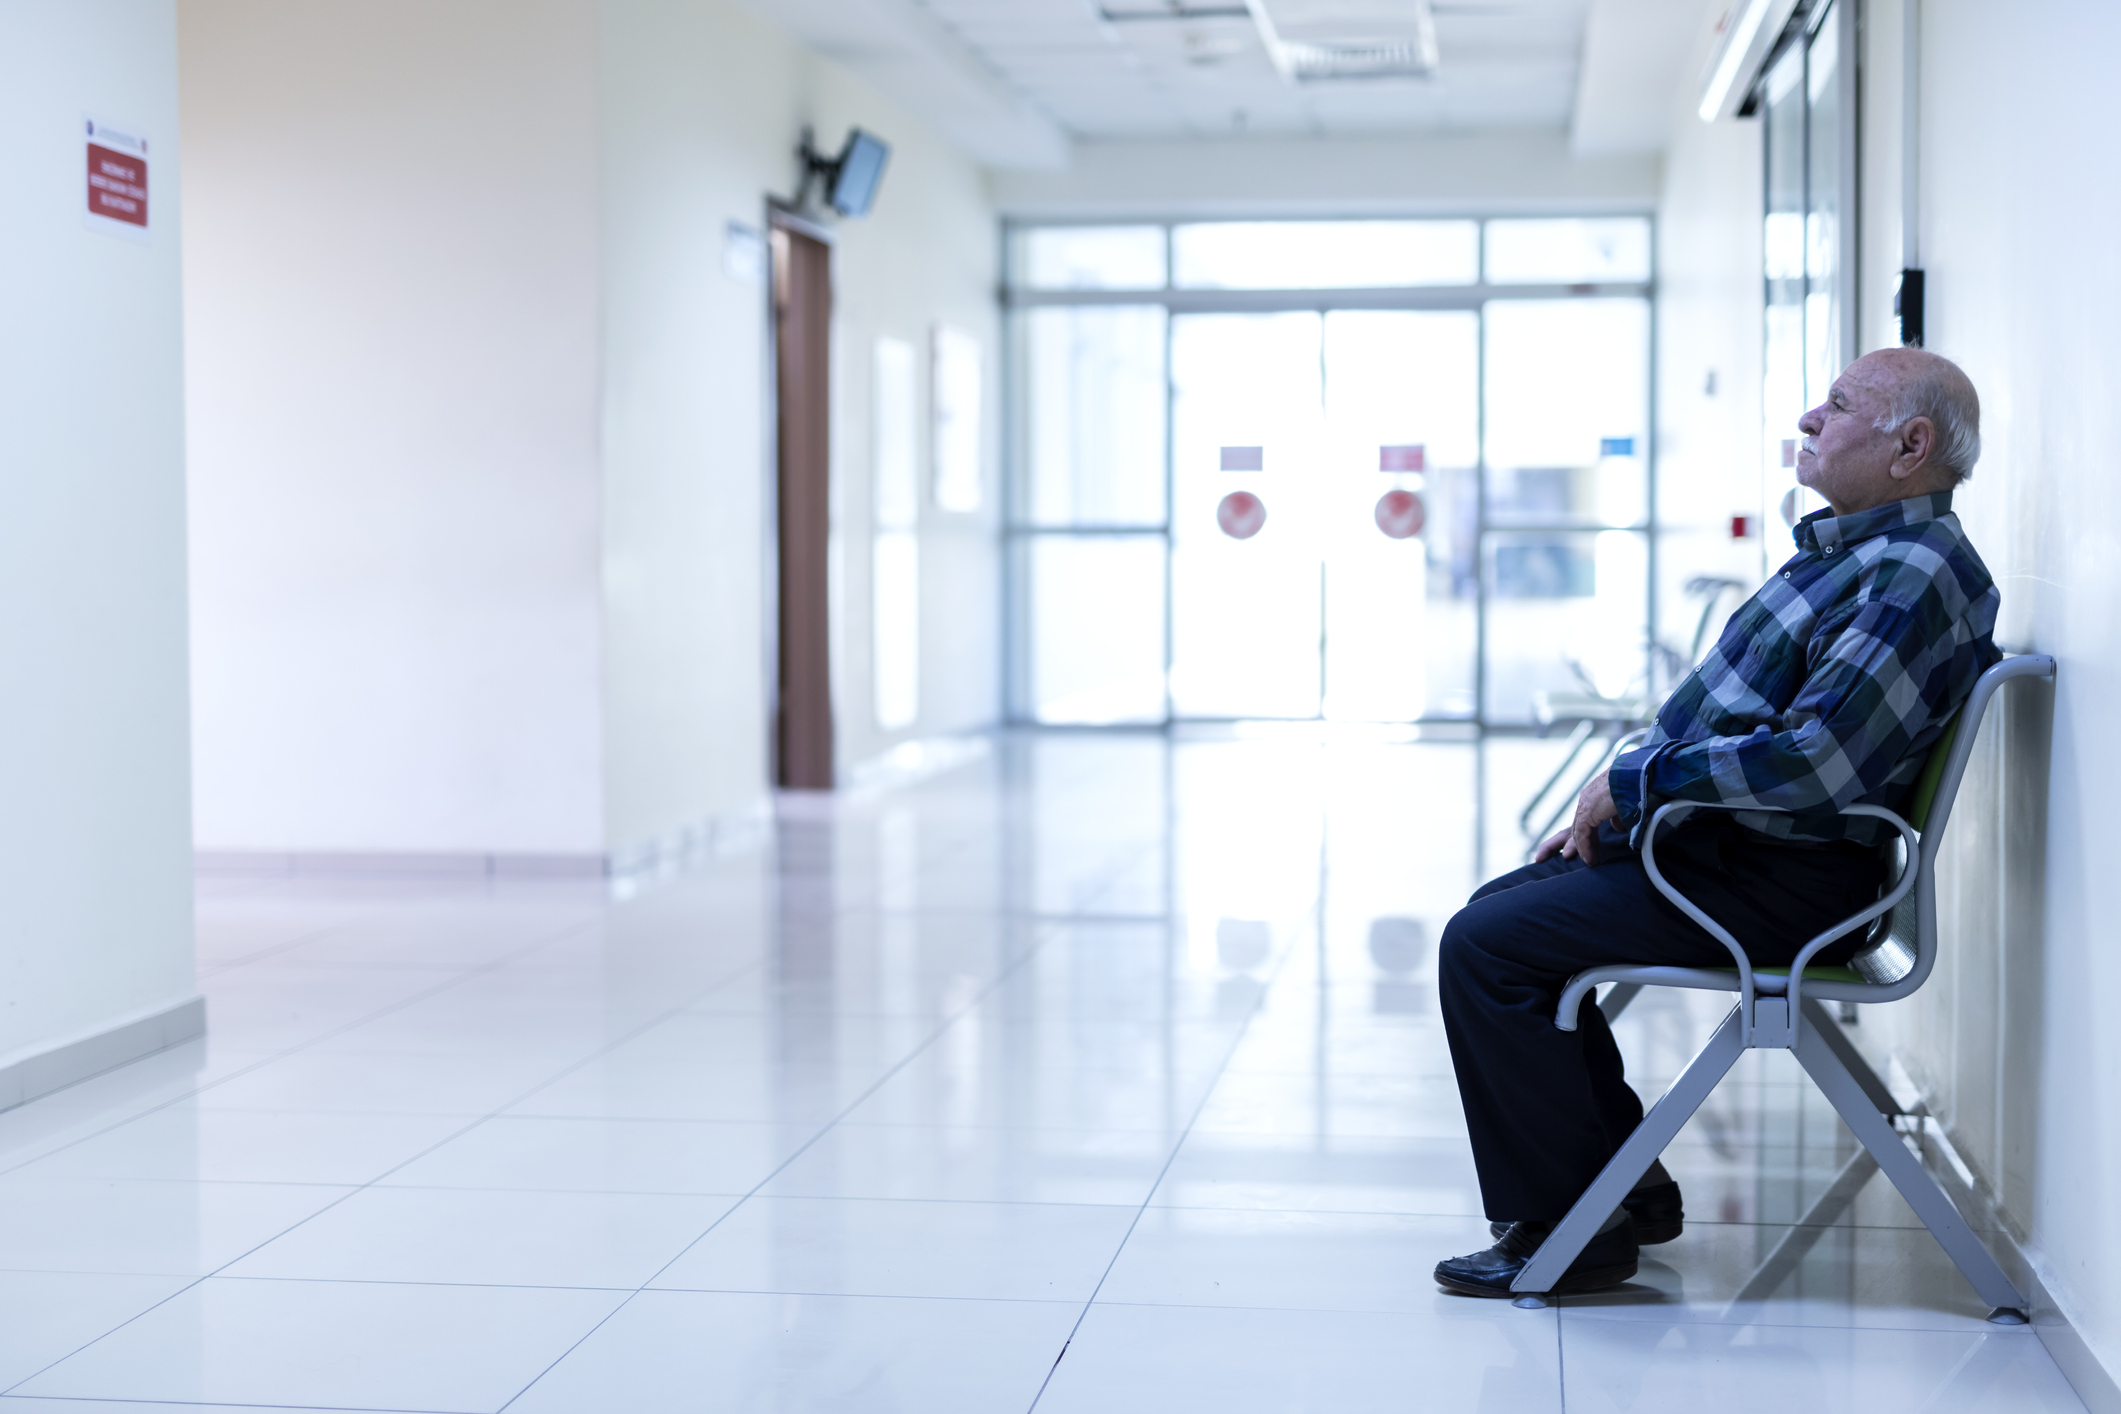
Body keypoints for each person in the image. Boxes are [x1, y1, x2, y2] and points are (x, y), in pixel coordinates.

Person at [1432, 348, 2000, 1297]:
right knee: (1502, 915)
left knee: (1489, 946)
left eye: (1837, 406)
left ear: (1910, 446)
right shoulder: (1860, 552)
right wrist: (1627, 806)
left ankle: (1569, 1231)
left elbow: (1817, 763)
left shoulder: (1910, 570)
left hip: (1778, 882)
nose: (1809, 420)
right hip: (1729, 853)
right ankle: (1622, 1189)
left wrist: (1639, 783)